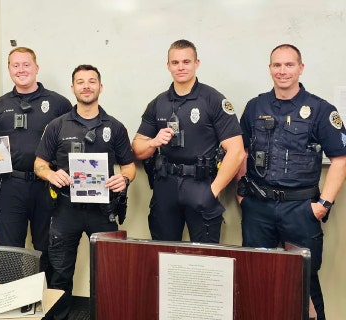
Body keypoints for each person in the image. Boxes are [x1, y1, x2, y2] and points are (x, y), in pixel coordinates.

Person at [236, 44, 346, 320]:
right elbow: (242, 152)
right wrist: (242, 195)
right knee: (257, 275)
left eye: (288, 65)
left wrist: (323, 204)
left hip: (300, 209)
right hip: (258, 208)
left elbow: (340, 159)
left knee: (304, 280)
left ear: (301, 68)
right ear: (270, 68)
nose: (282, 71)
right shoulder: (255, 106)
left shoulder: (321, 109)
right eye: (276, 65)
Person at [34, 64, 135, 320]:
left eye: (92, 81)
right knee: (60, 272)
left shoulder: (115, 126)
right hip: (65, 208)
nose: (86, 86)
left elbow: (130, 166)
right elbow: (39, 164)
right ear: (73, 88)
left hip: (102, 210)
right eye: (81, 82)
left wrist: (123, 179)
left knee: (110, 271)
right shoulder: (57, 126)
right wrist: (50, 174)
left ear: (101, 87)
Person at [0, 47, 72, 281]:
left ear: (36, 68)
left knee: (47, 248)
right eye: (16, 65)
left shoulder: (59, 104)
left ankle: (46, 304)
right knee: (9, 250)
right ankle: (12, 306)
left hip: (47, 186)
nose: (21, 70)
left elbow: (70, 142)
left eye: (26, 64)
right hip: (9, 185)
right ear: (9, 70)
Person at [132, 39, 244, 243]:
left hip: (201, 184)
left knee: (204, 259)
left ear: (196, 63)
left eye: (186, 61)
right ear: (168, 66)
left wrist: (213, 191)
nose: (181, 67)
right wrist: (153, 142)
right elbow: (137, 149)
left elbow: (236, 151)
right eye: (175, 62)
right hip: (165, 185)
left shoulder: (213, 100)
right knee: (162, 253)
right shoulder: (158, 103)